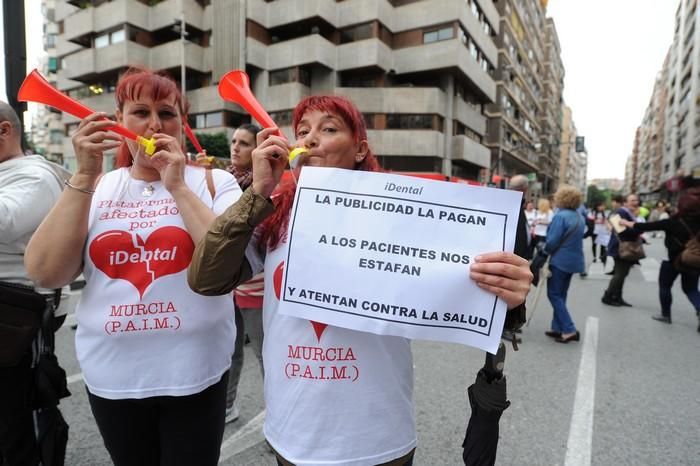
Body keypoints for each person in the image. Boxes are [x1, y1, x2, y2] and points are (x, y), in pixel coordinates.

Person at [187, 95, 532, 466]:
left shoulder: (405, 218)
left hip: (376, 438)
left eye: (329, 129)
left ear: (360, 149)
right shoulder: (275, 216)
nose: (310, 139)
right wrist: (257, 192)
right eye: (302, 131)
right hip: (293, 431)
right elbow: (207, 278)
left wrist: (509, 294)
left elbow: (460, 284)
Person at [24, 68, 242, 466]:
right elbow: (46, 272)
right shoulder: (97, 185)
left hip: (196, 372)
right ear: (119, 120)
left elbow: (227, 262)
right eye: (140, 112)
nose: (155, 125)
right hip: (113, 378)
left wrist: (175, 184)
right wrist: (86, 172)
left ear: (183, 123)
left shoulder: (214, 183)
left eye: (168, 113)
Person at [0, 101, 72, 466]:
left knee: (16, 423)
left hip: (15, 317)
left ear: (4, 130)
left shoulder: (34, 175)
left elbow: (7, 221)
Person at [224, 123, 265, 424]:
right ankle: (227, 405)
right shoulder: (224, 183)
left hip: (256, 287)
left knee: (265, 355)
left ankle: (279, 415)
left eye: (244, 143)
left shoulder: (266, 186)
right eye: (234, 141)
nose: (235, 147)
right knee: (229, 350)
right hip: (227, 287)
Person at [620, 188, 700, 330]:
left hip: (672, 261)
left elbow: (645, 226)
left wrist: (625, 223)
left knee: (665, 286)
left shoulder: (672, 222)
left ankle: (666, 315)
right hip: (693, 260)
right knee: (691, 289)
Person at [543, 185, 585, 343]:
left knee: (553, 294)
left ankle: (568, 329)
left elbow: (552, 241)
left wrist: (544, 251)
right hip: (574, 261)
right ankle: (557, 327)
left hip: (560, 261)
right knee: (561, 294)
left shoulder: (561, 216)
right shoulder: (579, 216)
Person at [601, 194, 641, 307]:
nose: (635, 202)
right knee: (620, 273)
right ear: (625, 203)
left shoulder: (628, 213)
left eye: (637, 200)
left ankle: (617, 297)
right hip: (620, 247)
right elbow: (621, 230)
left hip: (626, 246)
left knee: (623, 273)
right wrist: (638, 230)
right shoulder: (620, 212)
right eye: (632, 200)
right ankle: (608, 296)